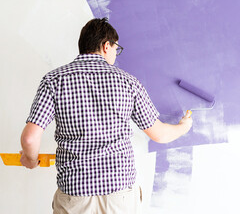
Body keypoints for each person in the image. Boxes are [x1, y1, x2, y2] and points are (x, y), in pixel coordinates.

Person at [19, 17, 193, 214]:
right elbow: (160, 134)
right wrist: (183, 126)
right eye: (115, 49)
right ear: (105, 46)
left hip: (75, 194)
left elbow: (30, 137)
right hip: (119, 195)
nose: (115, 55)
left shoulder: (54, 80)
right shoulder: (128, 82)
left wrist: (30, 160)